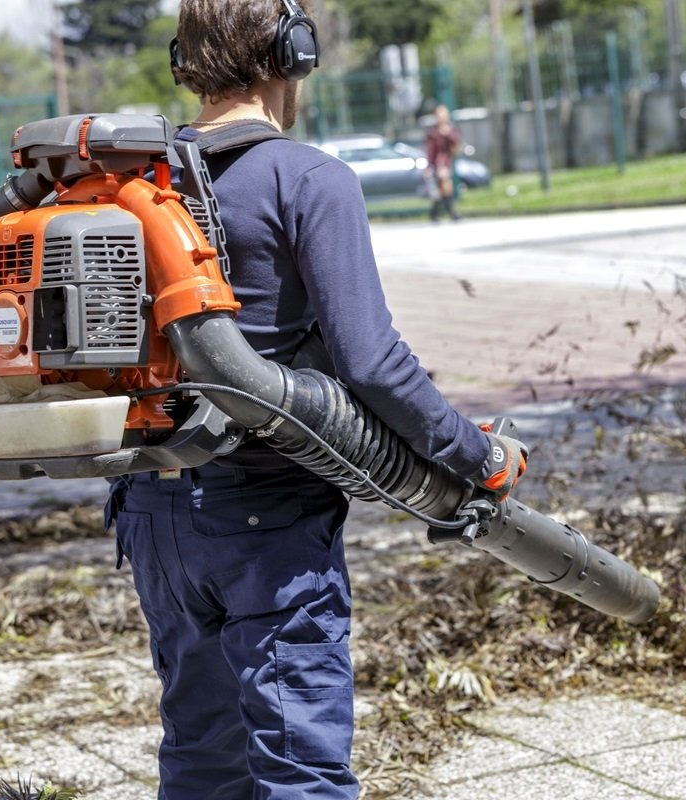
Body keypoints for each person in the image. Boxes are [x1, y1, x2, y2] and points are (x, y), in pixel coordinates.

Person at [104, 2, 527, 798]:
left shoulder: (131, 189)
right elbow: (371, 363)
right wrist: (478, 457)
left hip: (151, 510)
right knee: (300, 764)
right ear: (289, 53)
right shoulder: (308, 178)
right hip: (266, 516)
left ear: (183, 60)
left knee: (200, 753)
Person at [424, 104, 462, 222]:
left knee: (443, 188)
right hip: (437, 164)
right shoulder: (432, 132)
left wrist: (447, 133)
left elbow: (456, 142)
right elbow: (430, 150)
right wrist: (429, 166)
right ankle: (451, 213)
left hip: (446, 162)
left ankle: (435, 213)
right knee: (444, 187)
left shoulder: (450, 129)